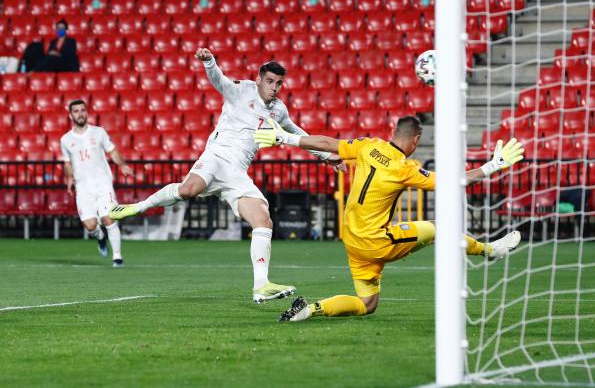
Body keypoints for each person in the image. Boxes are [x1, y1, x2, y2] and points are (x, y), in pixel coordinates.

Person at [109, 47, 344, 303]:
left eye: (278, 83)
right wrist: (210, 62)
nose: (274, 87)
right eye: (269, 81)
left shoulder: (279, 110)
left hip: (237, 173)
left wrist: (325, 157)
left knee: (263, 221)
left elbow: (296, 131)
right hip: (216, 158)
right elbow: (219, 80)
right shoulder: (241, 89)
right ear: (259, 80)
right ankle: (138, 207)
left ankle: (261, 285)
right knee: (188, 190)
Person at [253, 116, 525, 321]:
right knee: (438, 229)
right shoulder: (404, 168)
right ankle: (490, 251)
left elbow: (327, 143)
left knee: (367, 304)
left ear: (393, 131)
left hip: (352, 242)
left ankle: (309, 310)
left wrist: (285, 138)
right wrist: (494, 165)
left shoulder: (367, 146)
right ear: (416, 140)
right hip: (377, 242)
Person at [61, 99, 133, 267]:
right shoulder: (65, 140)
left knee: (109, 218)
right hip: (83, 187)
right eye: (76, 111)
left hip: (103, 184)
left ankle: (117, 257)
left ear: (87, 112)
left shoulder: (99, 132)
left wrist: (122, 165)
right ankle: (100, 238)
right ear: (70, 115)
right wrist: (69, 178)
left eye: (83, 110)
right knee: (90, 225)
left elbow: (112, 151)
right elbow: (67, 163)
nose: (80, 113)